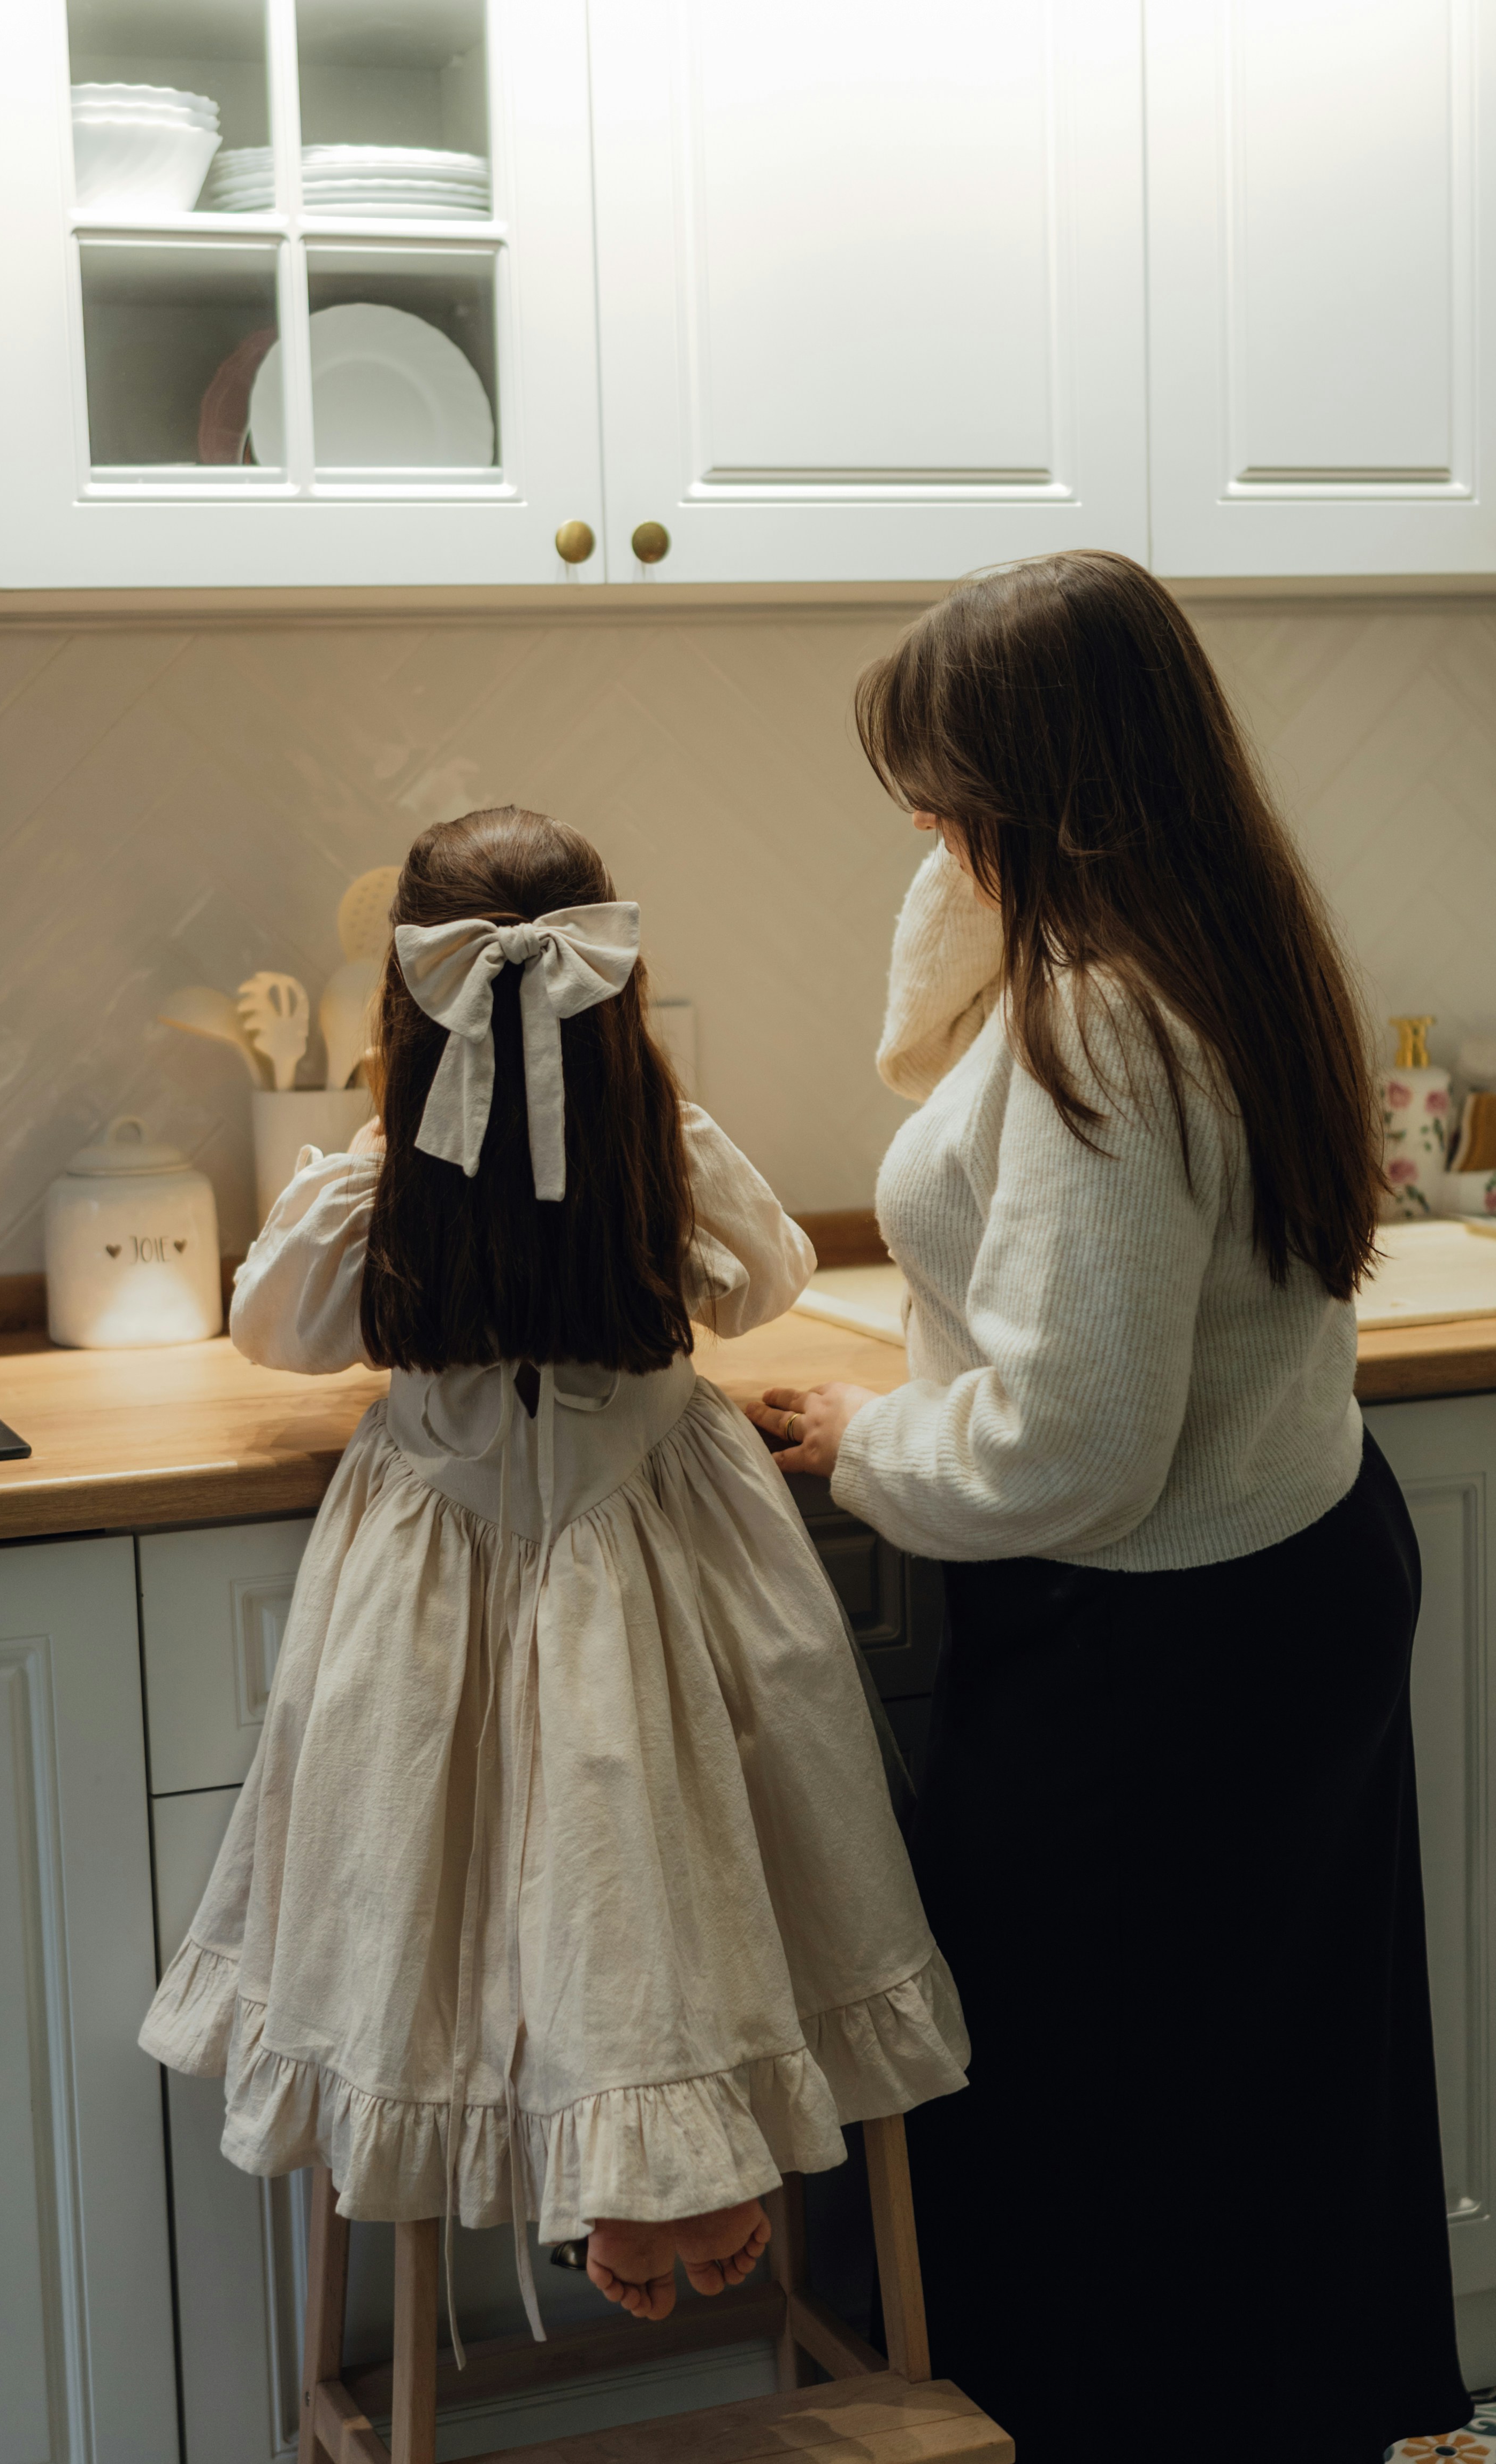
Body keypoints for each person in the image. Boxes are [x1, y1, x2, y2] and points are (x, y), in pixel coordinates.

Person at [746, 553, 1468, 2463]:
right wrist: (992, 857)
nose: (916, 825)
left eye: (939, 788)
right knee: (1274, 2098)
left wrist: (868, 1435)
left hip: (1155, 1631)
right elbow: (931, 1064)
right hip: (1280, 1581)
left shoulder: (1109, 1033)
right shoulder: (1205, 935)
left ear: (1039, 790)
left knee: (1106, 2118)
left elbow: (1076, 1445)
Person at [140, 805, 968, 2351]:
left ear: (409, 1000)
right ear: (614, 999)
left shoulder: (388, 1181)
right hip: (661, 1536)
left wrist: (387, 1144)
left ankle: (609, 2180)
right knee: (645, 1829)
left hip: (432, 1563)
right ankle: (667, 2165)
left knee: (461, 1870)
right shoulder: (663, 1154)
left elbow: (271, 1327)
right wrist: (644, 1131)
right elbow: (776, 1275)